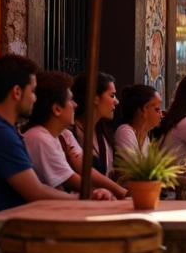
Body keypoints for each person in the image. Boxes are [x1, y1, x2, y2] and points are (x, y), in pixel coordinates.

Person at [0, 56, 115, 218]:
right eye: (32, 91)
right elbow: (36, 192)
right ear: (17, 92)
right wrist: (85, 198)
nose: (35, 98)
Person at [22, 70, 128, 199]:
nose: (75, 105)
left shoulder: (65, 135)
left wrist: (116, 191)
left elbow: (84, 168)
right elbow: (70, 179)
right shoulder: (39, 138)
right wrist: (97, 194)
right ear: (57, 109)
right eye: (70, 100)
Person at [70, 71, 119, 179]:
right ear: (95, 98)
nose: (117, 101)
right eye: (112, 96)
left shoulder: (103, 133)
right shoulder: (71, 133)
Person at [115, 84, 162, 157]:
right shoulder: (125, 132)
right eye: (157, 109)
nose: (161, 114)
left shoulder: (146, 138)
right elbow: (133, 163)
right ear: (143, 109)